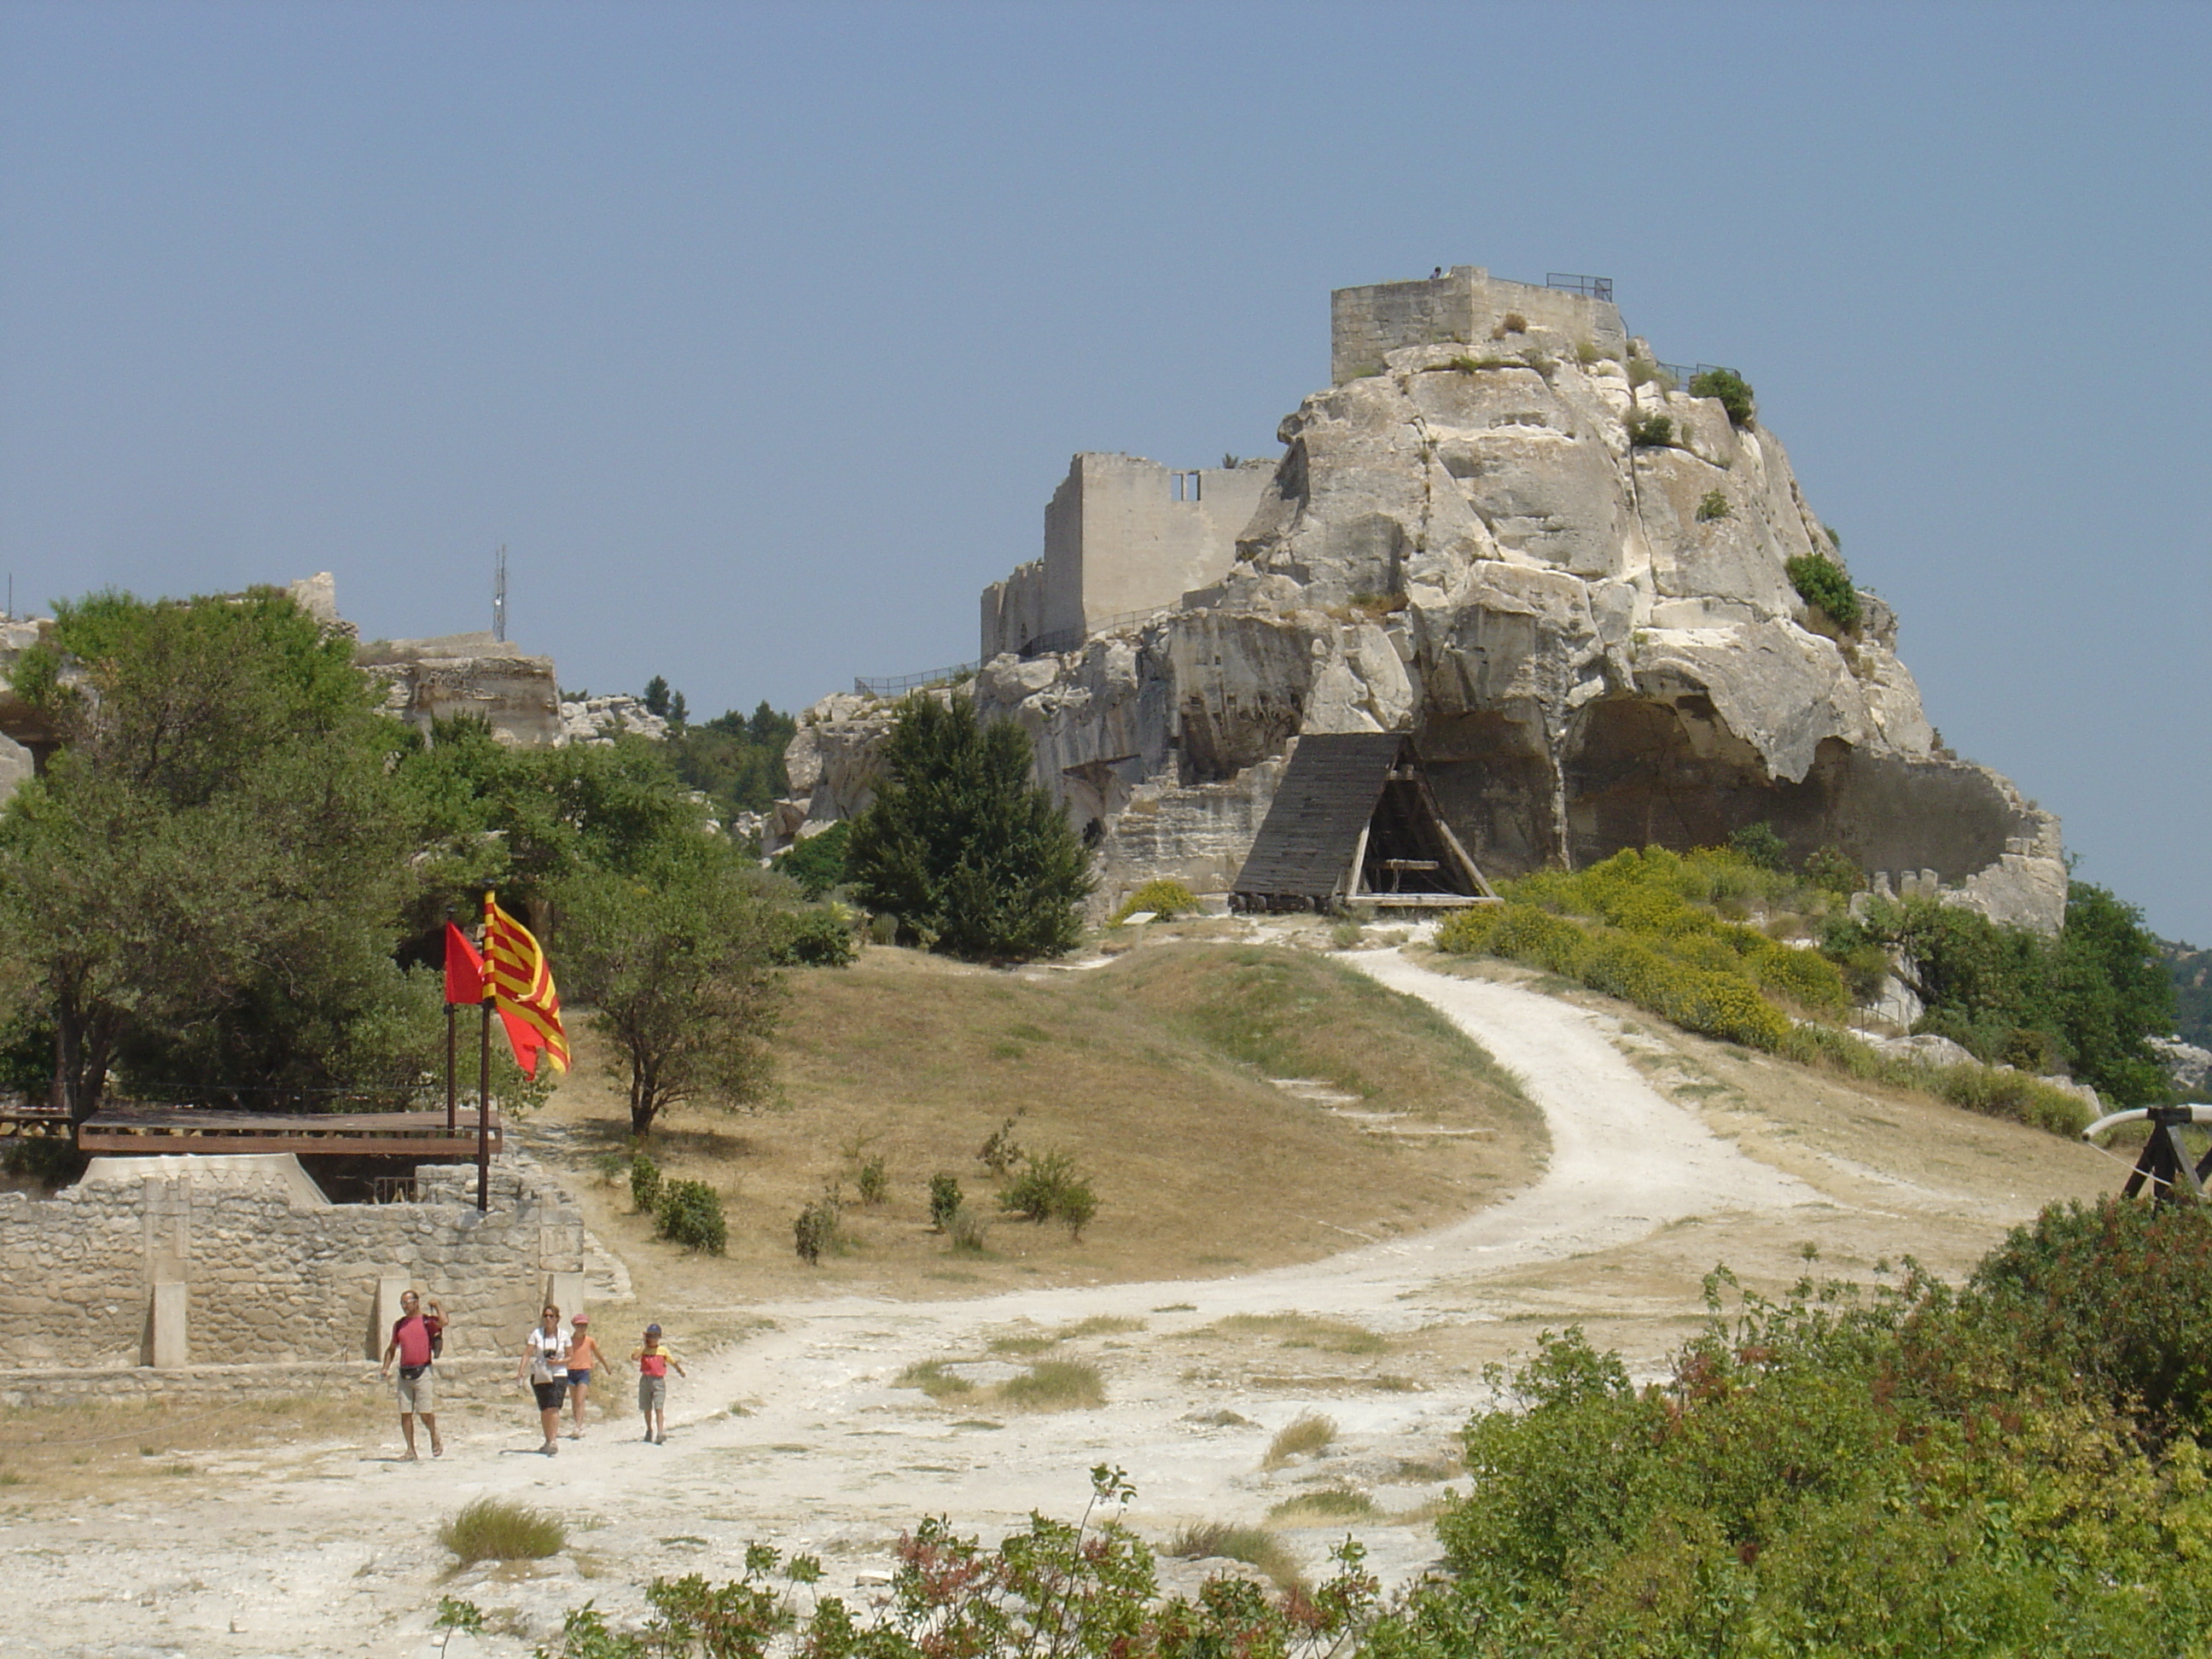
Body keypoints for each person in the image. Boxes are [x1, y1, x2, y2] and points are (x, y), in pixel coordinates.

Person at [377, 1289, 445, 1460]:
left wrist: (437, 1306)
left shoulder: (426, 1321)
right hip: (405, 1372)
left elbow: (443, 1322)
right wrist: (385, 1368)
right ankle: (410, 1450)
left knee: (425, 1413)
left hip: (423, 1371)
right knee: (405, 1414)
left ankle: (433, 1434)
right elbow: (392, 1348)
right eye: (402, 1303)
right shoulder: (399, 1325)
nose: (405, 1306)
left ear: (416, 1302)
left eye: (407, 1302)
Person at [516, 1303, 570, 1456]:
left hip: (558, 1373)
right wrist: (521, 1371)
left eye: (551, 1316)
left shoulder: (564, 1335)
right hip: (540, 1373)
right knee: (545, 1408)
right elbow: (528, 1353)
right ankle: (547, 1439)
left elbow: (570, 1356)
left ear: (557, 1319)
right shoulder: (537, 1334)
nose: (548, 1319)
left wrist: (558, 1362)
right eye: (545, 1316)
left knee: (554, 1407)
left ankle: (553, 1440)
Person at [631, 1322, 685, 1444]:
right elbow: (634, 1357)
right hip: (646, 1380)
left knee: (659, 1407)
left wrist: (680, 1371)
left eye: (655, 1336)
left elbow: (672, 1361)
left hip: (658, 1381)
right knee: (647, 1408)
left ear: (660, 1337)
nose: (653, 1339)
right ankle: (649, 1429)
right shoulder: (643, 1350)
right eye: (650, 1336)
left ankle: (660, 1432)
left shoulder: (663, 1351)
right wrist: (644, 1345)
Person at [564, 1313, 600, 1441]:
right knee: (574, 1401)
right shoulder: (568, 1341)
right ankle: (577, 1424)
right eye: (579, 1325)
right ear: (574, 1326)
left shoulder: (589, 1341)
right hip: (570, 1371)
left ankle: (578, 1427)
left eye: (584, 1325)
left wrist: (606, 1367)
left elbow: (597, 1353)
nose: (582, 1328)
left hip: (584, 1371)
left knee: (580, 1400)